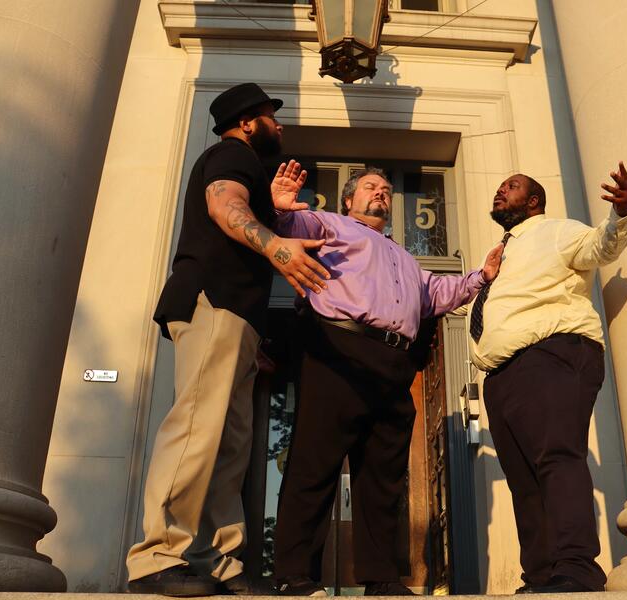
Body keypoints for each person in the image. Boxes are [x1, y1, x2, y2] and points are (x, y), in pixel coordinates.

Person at [126, 83, 330, 597]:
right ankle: (159, 556)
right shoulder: (229, 155)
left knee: (231, 444)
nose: (278, 126)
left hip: (238, 318)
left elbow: (243, 208)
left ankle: (216, 560)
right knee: (198, 427)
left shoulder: (247, 167)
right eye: (270, 117)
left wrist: (273, 209)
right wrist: (277, 245)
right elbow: (224, 207)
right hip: (214, 301)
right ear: (245, 123)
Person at [270, 167, 504, 596]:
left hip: (393, 363)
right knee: (314, 463)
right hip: (339, 349)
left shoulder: (406, 258)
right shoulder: (330, 225)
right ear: (348, 200)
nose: (380, 193)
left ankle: (380, 578)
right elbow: (288, 228)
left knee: (383, 476)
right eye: (370, 187)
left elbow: (437, 293)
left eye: (386, 190)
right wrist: (281, 208)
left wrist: (481, 278)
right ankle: (293, 574)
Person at [472, 165, 627, 594]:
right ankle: (541, 575)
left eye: (511, 186)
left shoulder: (558, 230)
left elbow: (599, 247)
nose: (500, 190)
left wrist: (622, 213)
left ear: (533, 201)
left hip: (550, 352)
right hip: (501, 370)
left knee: (556, 458)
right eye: (499, 186)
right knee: (523, 479)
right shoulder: (499, 255)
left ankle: (577, 568)